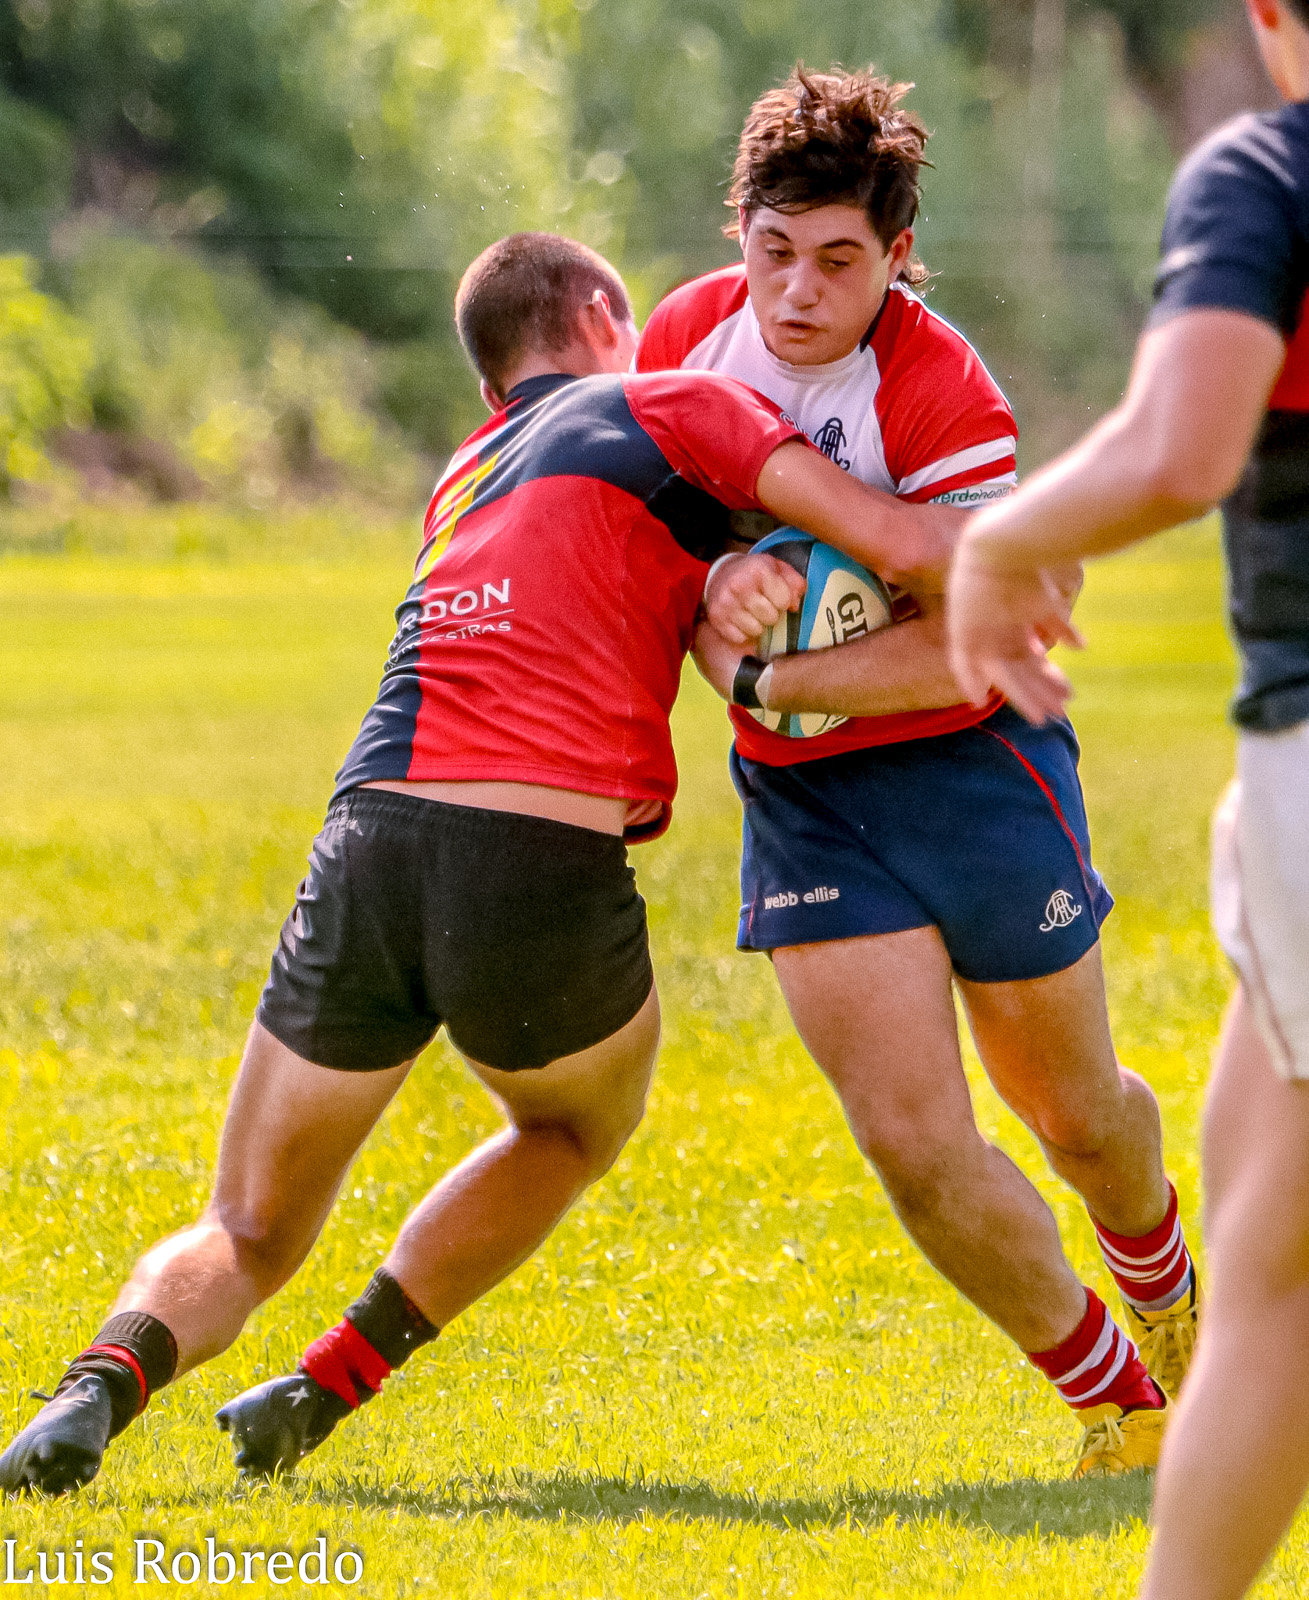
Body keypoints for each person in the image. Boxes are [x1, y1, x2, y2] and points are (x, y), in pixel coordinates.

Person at [0, 231, 958, 1496]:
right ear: (604, 313)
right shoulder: (673, 399)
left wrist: (719, 572)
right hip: (537, 853)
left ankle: (89, 1392)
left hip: (368, 837)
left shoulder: (462, 473)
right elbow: (890, 533)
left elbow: (619, 567)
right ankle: (329, 1377)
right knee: (572, 1125)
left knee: (247, 1223)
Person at [639, 64, 1199, 1475]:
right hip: (810, 802)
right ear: (738, 236)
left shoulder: (942, 396)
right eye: (772, 253)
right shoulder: (686, 345)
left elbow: (982, 643)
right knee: (914, 1145)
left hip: (972, 769)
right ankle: (1121, 1410)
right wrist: (715, 592)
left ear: (896, 257)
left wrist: (773, 675)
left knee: (1075, 1117)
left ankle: (1167, 1283)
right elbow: (647, 555)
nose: (796, 293)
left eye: (838, 261)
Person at [947, 1, 1309, 1589]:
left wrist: (995, 539)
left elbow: (1183, 444)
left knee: (1279, 1278)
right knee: (1263, 1247)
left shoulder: (1265, 172)